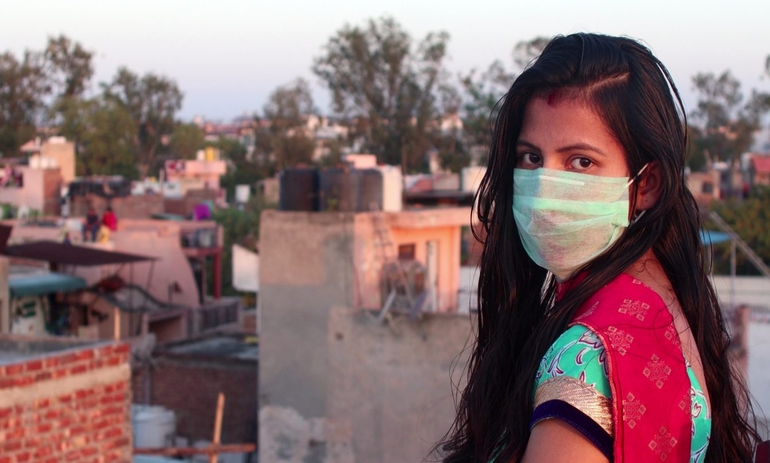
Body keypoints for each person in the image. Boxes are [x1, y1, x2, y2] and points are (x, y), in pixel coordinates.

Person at [438, 33, 758, 463]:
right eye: (531, 158)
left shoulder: (588, 357)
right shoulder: (660, 300)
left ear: (646, 184)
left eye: (580, 162)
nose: (546, 189)